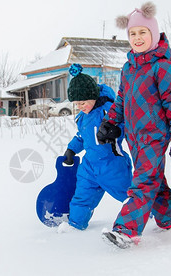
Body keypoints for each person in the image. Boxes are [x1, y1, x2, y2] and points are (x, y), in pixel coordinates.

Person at [97, 1, 171, 248]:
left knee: (143, 182)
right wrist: (110, 122)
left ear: (154, 33)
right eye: (132, 33)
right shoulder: (128, 69)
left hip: (155, 136)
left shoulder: (163, 67)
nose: (137, 38)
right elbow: (121, 99)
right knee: (154, 180)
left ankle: (126, 230)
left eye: (142, 32)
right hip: (134, 137)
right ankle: (169, 219)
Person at [58, 63, 132, 233]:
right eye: (76, 104)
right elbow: (81, 137)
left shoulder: (109, 111)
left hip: (112, 166)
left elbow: (127, 126)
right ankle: (75, 227)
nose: (80, 107)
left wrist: (116, 130)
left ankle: (151, 216)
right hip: (89, 166)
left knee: (130, 196)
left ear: (93, 97)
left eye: (82, 102)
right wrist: (71, 150)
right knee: (81, 198)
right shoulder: (83, 117)